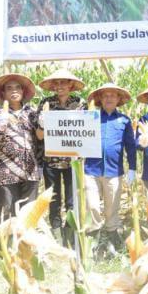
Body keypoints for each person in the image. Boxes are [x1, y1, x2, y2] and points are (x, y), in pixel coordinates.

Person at [35, 69, 85, 245]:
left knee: (72, 200)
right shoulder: (46, 103)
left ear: (71, 85)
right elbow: (39, 136)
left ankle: (70, 236)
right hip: (51, 161)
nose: (59, 86)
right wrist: (42, 124)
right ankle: (57, 237)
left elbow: (87, 132)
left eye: (63, 83)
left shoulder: (80, 104)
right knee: (53, 200)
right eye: (56, 83)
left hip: (73, 162)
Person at [85, 83, 136, 251]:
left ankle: (112, 236)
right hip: (90, 170)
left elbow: (130, 146)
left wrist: (132, 168)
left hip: (114, 171)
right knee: (92, 206)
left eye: (112, 95)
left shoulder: (124, 121)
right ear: (100, 99)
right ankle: (94, 239)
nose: (109, 98)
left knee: (111, 208)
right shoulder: (89, 118)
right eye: (105, 95)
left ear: (118, 99)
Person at [0, 73, 39, 220]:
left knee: (29, 214)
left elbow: (40, 139)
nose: (14, 91)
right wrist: (1, 128)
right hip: (6, 171)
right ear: (3, 93)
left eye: (17, 87)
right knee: (8, 214)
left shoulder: (31, 113)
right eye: (9, 88)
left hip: (30, 170)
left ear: (23, 91)